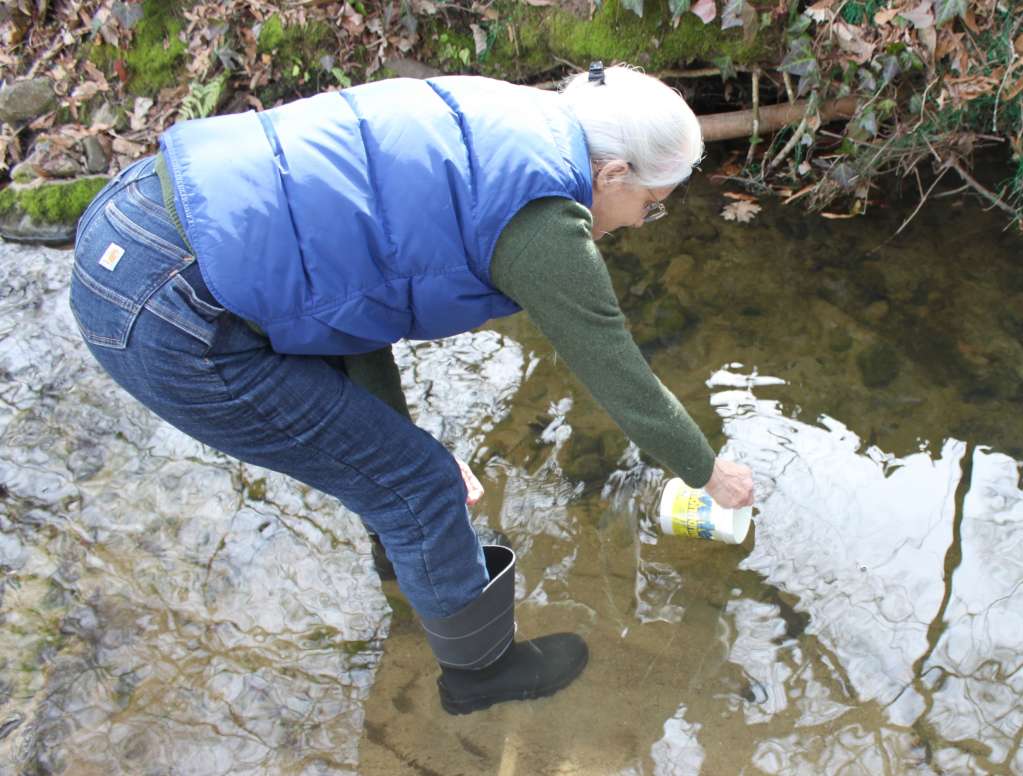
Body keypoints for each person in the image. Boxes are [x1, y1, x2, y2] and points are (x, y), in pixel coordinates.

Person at [67, 62, 755, 716]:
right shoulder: (544, 218)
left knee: (393, 468)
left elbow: (345, 302)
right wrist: (709, 471)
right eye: (651, 206)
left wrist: (394, 438)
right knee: (420, 483)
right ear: (612, 173)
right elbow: (619, 374)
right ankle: (481, 675)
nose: (641, 223)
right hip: (169, 314)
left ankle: (406, 574)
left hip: (136, 216)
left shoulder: (506, 116)